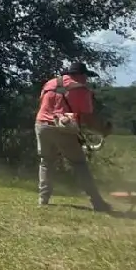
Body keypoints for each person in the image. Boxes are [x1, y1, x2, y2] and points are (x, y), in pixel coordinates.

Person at [36, 63, 112, 212]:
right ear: (80, 75)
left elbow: (43, 103)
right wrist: (103, 130)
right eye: (85, 76)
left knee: (46, 162)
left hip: (41, 125)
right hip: (63, 128)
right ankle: (97, 202)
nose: (86, 80)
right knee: (79, 164)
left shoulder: (50, 83)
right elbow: (88, 119)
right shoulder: (81, 89)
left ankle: (43, 200)